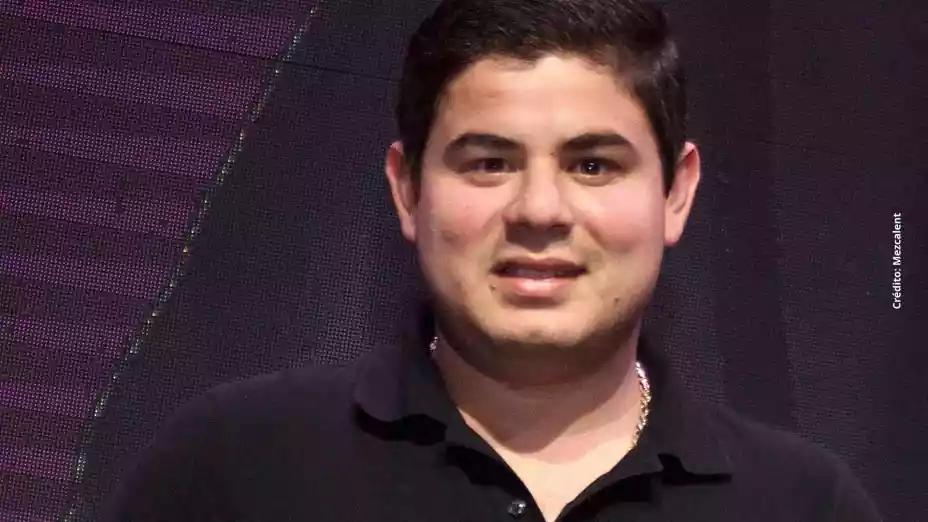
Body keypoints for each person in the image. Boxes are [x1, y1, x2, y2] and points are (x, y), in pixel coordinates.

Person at [102, 0, 884, 520]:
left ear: (676, 194)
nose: (539, 210)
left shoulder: (805, 505)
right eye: (488, 163)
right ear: (408, 190)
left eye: (593, 165)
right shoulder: (236, 468)